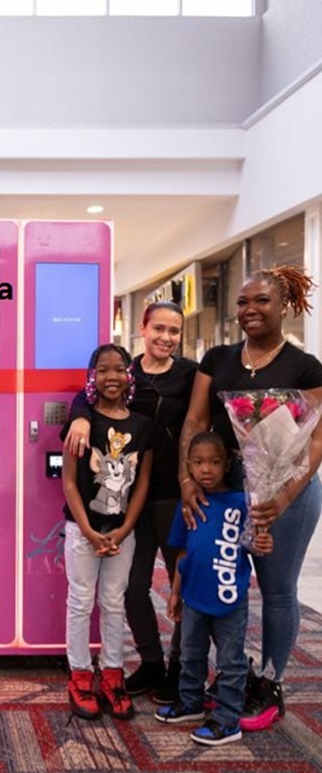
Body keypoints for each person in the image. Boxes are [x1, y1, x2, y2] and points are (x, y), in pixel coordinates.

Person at [180, 265, 322, 732]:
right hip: (225, 490)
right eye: (242, 302)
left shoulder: (305, 366)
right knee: (224, 579)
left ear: (284, 305)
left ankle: (270, 681)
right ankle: (227, 673)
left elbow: (315, 441)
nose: (250, 310)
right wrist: (189, 481)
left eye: (261, 301)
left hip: (288, 489)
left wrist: (282, 499)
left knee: (276, 589)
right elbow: (196, 420)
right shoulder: (218, 359)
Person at [64, 301, 197, 702]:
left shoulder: (190, 374)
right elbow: (90, 394)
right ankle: (150, 662)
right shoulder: (127, 371)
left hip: (172, 492)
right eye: (159, 328)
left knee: (181, 584)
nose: (166, 337)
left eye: (174, 330)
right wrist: (80, 416)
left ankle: (181, 668)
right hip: (123, 503)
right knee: (131, 589)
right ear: (143, 327)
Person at [155, 432, 273, 746]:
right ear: (189, 467)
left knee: (230, 662)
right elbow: (182, 552)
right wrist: (175, 592)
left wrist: (263, 541)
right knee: (191, 653)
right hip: (194, 594)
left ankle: (227, 720)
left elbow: (255, 545)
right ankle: (190, 703)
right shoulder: (189, 502)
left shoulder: (242, 502)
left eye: (214, 462)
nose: (206, 469)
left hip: (229, 596)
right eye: (198, 463)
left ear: (226, 464)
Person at [61, 344, 153, 721]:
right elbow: (69, 483)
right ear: (92, 376)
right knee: (81, 601)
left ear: (129, 375)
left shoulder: (142, 425)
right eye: (103, 370)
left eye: (119, 369)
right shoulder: (81, 422)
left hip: (122, 532)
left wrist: (125, 528)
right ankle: (80, 674)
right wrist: (87, 530)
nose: (111, 377)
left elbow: (142, 483)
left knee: (114, 602)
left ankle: (113, 673)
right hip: (82, 529)